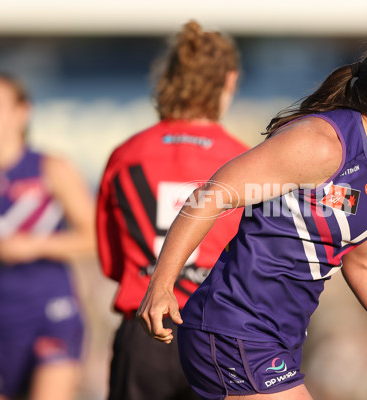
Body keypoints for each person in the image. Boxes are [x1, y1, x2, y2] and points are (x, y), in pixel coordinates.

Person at [137, 36, 367, 399]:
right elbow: (210, 196)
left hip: (277, 340)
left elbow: (365, 265)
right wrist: (161, 284)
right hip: (233, 328)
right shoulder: (320, 144)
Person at [96, 20, 248, 400]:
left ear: (168, 79)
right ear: (229, 80)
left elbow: (111, 262)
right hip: (219, 334)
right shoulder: (245, 160)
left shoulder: (125, 155)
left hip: (144, 332)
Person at [0, 72, 96, 400]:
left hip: (53, 314)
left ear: (22, 112)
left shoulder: (51, 168)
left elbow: (93, 238)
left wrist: (35, 246)